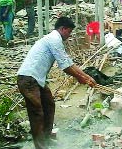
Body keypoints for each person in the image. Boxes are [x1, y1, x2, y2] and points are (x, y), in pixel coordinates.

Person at [17, 16, 97, 149]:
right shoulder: (54, 39)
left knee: (49, 105)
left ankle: (47, 139)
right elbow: (65, 66)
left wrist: (86, 76)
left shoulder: (54, 39)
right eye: (69, 32)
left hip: (36, 79)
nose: (69, 35)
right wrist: (80, 78)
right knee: (37, 113)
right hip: (28, 79)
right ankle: (40, 146)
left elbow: (68, 62)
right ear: (63, 28)